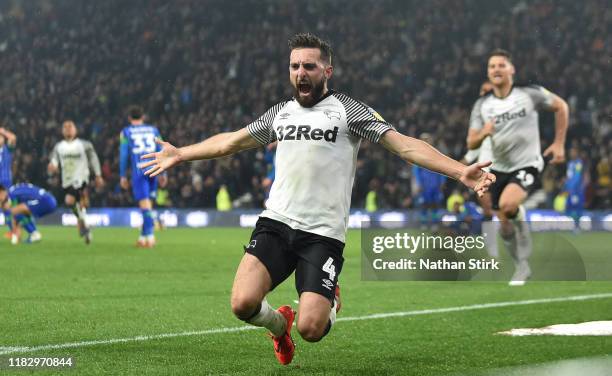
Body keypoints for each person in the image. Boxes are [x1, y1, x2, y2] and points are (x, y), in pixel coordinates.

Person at [140, 33, 495, 365]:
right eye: (295, 66)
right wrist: (181, 154)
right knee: (242, 304)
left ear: (327, 71)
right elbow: (231, 141)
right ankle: (280, 327)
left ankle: (331, 301)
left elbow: (404, 145)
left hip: (322, 235)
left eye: (309, 66)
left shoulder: (348, 110)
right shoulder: (280, 113)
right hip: (277, 223)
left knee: (312, 330)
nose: (301, 73)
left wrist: (460, 171)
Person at [466, 49, 569, 286]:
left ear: (511, 69)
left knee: (508, 205)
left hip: (527, 163)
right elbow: (471, 141)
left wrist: (559, 143)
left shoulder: (528, 93)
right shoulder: (482, 105)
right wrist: (483, 133)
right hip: (497, 169)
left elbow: (561, 106)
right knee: (503, 225)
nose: (496, 69)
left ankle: (518, 219)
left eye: (501, 65)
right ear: (488, 73)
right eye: (492, 66)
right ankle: (521, 266)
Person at [48, 120, 104, 244]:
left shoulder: (84, 144)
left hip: (81, 178)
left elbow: (93, 159)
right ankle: (85, 225)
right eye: (65, 127)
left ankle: (83, 222)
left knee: (69, 200)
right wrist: (52, 166)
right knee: (76, 205)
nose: (68, 129)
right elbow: (54, 161)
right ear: (62, 131)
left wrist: (98, 175)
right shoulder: (58, 146)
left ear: (75, 130)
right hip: (66, 180)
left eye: (70, 126)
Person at [119, 105, 167, 247]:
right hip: (156, 168)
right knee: (148, 204)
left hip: (140, 170)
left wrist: (122, 175)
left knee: (145, 205)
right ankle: (143, 237)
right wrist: (164, 171)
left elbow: (124, 155)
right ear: (143, 117)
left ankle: (150, 237)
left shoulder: (126, 132)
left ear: (129, 118)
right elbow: (162, 148)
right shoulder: (154, 130)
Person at [463, 81, 498, 257]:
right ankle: (492, 248)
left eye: (487, 91)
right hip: (486, 173)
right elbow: (470, 153)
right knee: (488, 210)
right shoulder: (479, 123)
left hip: (505, 170)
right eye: (482, 91)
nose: (483, 94)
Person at [412, 133, 446, 230]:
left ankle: (435, 224)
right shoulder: (417, 155)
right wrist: (418, 184)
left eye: (427, 139)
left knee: (435, 205)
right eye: (423, 139)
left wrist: (442, 181)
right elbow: (416, 171)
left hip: (435, 184)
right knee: (424, 205)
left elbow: (443, 168)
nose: (426, 141)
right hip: (424, 185)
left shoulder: (436, 153)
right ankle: (424, 224)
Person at [0, 127, 17, 237]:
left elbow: (13, 137)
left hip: (4, 181)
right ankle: (13, 230)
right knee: (5, 206)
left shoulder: (7, 149)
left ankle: (14, 230)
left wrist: (2, 131)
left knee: (7, 205)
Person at [564, 146, 585, 231]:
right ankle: (574, 225)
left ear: (577, 153)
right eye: (571, 152)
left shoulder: (578, 163)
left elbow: (577, 176)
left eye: (573, 152)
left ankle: (577, 226)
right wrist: (567, 185)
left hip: (576, 190)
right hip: (570, 189)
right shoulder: (570, 163)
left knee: (577, 208)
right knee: (570, 208)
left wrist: (573, 189)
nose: (571, 154)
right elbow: (569, 176)